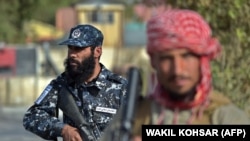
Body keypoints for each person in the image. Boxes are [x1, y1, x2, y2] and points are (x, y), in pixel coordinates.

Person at [100, 9, 250, 141]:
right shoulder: (130, 118)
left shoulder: (226, 118)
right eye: (166, 58)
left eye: (186, 56)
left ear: (202, 60)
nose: (177, 70)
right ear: (154, 61)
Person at [23, 24, 127, 141]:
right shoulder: (62, 84)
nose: (72, 54)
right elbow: (31, 117)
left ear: (97, 51)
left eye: (78, 49)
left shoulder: (120, 88)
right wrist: (63, 129)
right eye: (70, 48)